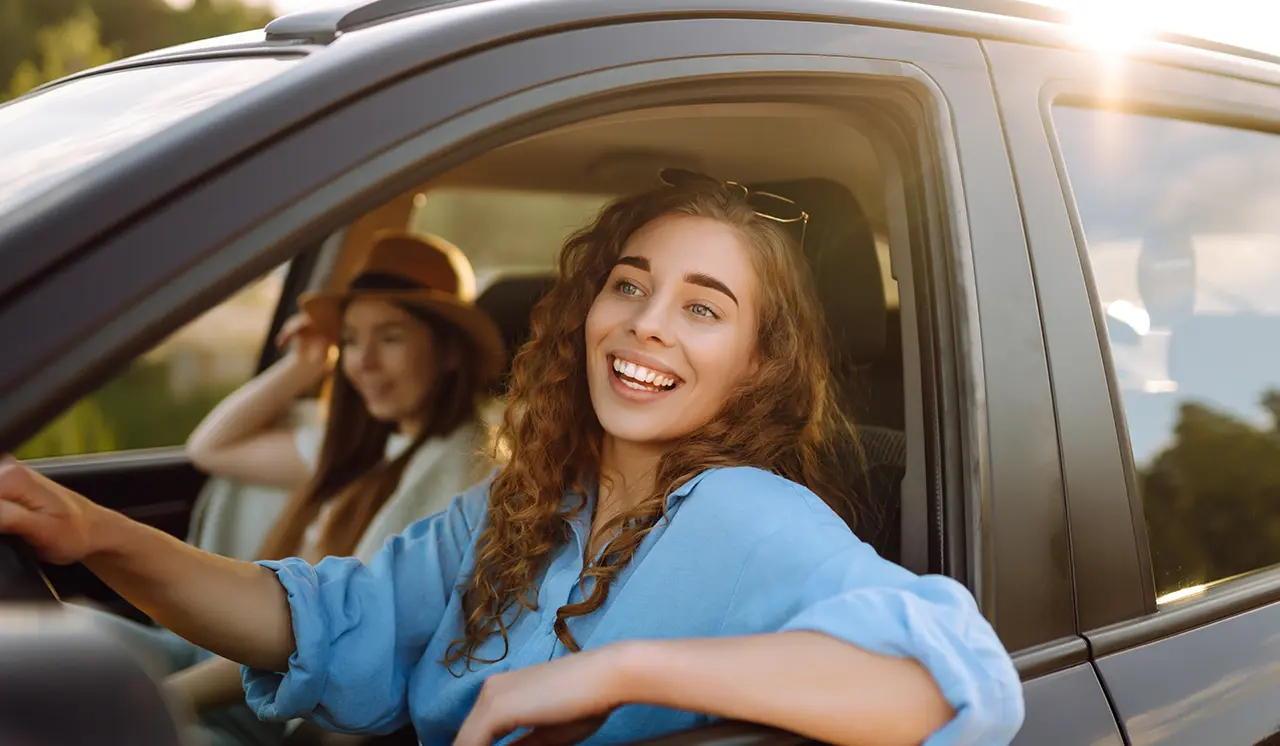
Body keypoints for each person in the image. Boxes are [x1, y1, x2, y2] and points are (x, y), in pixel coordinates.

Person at [0, 171, 1025, 746]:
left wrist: (613, 671)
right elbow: (326, 617)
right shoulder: (525, 501)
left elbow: (957, 681)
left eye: (702, 308)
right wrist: (92, 534)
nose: (647, 326)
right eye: (628, 286)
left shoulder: (742, 512)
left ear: (758, 367)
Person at [76, 231, 507, 746]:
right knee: (55, 639)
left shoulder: (456, 472)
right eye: (350, 340)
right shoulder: (359, 447)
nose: (362, 362)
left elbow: (343, 632)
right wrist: (304, 367)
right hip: (229, 659)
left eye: (390, 338)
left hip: (278, 705)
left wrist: (160, 701)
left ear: (449, 353)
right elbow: (212, 447)